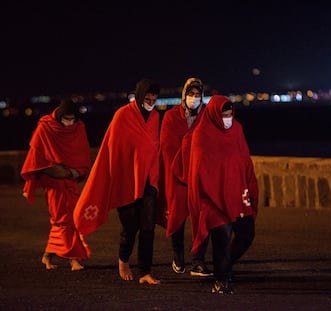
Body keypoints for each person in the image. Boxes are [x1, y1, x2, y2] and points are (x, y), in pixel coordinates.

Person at [74, 78, 161, 285]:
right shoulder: (123, 115)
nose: (151, 103)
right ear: (139, 96)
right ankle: (123, 260)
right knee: (130, 227)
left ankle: (145, 272)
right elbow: (114, 149)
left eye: (154, 99)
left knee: (148, 226)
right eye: (147, 99)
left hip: (149, 179)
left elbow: (153, 145)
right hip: (126, 180)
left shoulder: (156, 117)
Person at [188, 95, 259, 294]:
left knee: (246, 234)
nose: (228, 118)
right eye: (224, 115)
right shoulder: (202, 134)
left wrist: (249, 187)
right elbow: (200, 170)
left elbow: (245, 160)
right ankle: (220, 281)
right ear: (214, 115)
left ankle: (225, 266)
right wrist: (213, 194)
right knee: (222, 236)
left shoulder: (236, 129)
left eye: (230, 115)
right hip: (212, 198)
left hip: (237, 194)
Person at [20, 99, 91, 271]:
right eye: (66, 119)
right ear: (60, 116)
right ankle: (73, 258)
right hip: (52, 179)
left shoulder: (78, 127)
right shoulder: (46, 127)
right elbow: (36, 157)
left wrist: (72, 172)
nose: (69, 123)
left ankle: (48, 255)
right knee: (64, 218)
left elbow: (82, 153)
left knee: (65, 219)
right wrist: (57, 171)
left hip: (70, 178)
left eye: (72, 119)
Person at [159, 77, 212, 277]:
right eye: (191, 94)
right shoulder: (171, 117)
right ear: (184, 95)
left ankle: (198, 261)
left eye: (198, 95)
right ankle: (178, 256)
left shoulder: (207, 116)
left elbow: (211, 143)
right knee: (178, 217)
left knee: (202, 218)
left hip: (200, 177)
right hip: (177, 175)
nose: (194, 98)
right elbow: (167, 146)